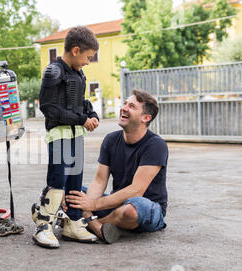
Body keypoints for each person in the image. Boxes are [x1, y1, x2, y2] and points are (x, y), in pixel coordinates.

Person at [66, 89, 168, 244]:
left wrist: (93, 205)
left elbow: (137, 190)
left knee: (131, 209)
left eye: (132, 106)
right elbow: (99, 181)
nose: (124, 108)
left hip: (146, 208)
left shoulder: (156, 145)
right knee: (69, 191)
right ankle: (102, 226)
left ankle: (89, 224)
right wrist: (87, 202)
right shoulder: (111, 140)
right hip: (115, 203)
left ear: (146, 118)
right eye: (125, 103)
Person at [31, 26, 101, 249]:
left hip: (76, 136)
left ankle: (72, 223)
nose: (88, 62)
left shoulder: (79, 73)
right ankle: (43, 225)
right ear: (76, 50)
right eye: (87, 57)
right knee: (58, 180)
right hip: (59, 135)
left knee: (75, 182)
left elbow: (83, 102)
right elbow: (49, 108)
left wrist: (92, 114)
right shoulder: (54, 71)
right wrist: (81, 119)